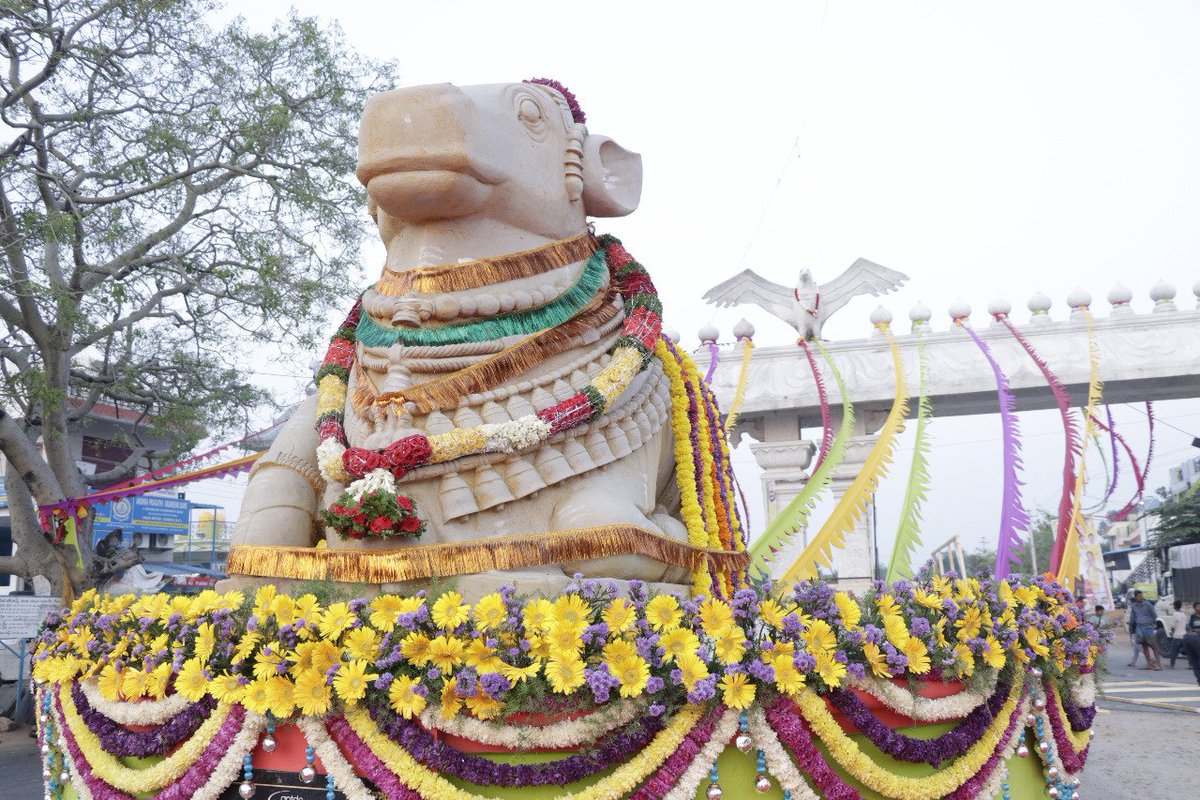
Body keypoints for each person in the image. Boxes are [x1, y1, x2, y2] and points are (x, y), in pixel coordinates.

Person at [1129, 590, 1162, 670]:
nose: (1141, 597)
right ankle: (1149, 664)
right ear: (1135, 597)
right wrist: (1131, 623)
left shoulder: (1148, 605)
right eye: (1139, 596)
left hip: (1149, 627)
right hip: (1139, 628)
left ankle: (1158, 664)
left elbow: (1154, 615)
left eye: (1141, 596)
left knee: (1153, 645)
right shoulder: (1133, 606)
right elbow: (1133, 617)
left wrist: (1152, 624)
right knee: (1144, 645)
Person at [1167, 600, 1188, 668]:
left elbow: (1173, 626)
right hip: (1184, 635)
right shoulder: (1184, 614)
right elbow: (1186, 625)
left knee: (1174, 651)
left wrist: (1172, 632)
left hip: (1177, 635)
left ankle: (1172, 664)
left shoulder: (1175, 614)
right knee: (1188, 651)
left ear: (1174, 606)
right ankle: (1191, 664)